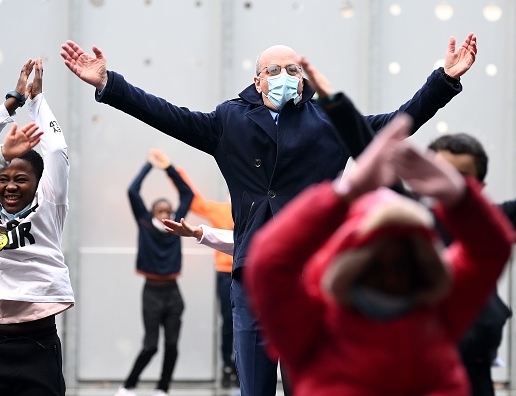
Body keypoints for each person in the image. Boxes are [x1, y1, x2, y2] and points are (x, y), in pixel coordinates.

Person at [61, 33, 477, 396]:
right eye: (274, 69)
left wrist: (444, 80)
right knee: (254, 385)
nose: (284, 75)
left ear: (303, 78)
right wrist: (108, 83)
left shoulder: (327, 122)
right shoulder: (229, 119)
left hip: (318, 273)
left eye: (292, 68)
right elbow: (168, 115)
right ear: (257, 80)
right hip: (254, 276)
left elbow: (394, 126)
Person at [244, 113, 514, 396]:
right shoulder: (315, 328)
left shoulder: (437, 312)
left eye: (401, 264)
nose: (389, 277)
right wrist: (342, 192)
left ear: (421, 266)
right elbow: (267, 263)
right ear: (349, 264)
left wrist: (461, 198)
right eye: (372, 263)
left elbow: (490, 250)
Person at [0, 58, 73, 396]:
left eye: (21, 180)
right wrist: (13, 101)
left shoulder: (49, 206)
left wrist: (37, 102)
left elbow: (57, 150)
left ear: (38, 184)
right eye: (4, 179)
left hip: (39, 343)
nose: (10, 186)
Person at [428, 133, 513, 396]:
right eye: (441, 172)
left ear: (481, 185)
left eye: (461, 176)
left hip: (475, 371)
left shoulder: (494, 222)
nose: (449, 183)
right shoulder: (408, 217)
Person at [116, 149, 193, 396]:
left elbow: (187, 193)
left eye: (167, 212)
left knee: (171, 345)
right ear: (151, 213)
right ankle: (128, 386)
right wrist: (150, 165)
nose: (163, 215)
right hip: (151, 292)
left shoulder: (176, 226)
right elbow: (132, 191)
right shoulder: (145, 222)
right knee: (150, 345)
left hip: (173, 292)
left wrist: (169, 168)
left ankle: (163, 388)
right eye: (159, 211)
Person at [173, 167, 238, 388]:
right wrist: (175, 171)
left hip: (247, 270)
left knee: (250, 322)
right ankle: (227, 366)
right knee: (228, 321)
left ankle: (241, 365)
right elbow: (196, 202)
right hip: (225, 273)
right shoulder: (220, 210)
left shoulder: (258, 208)